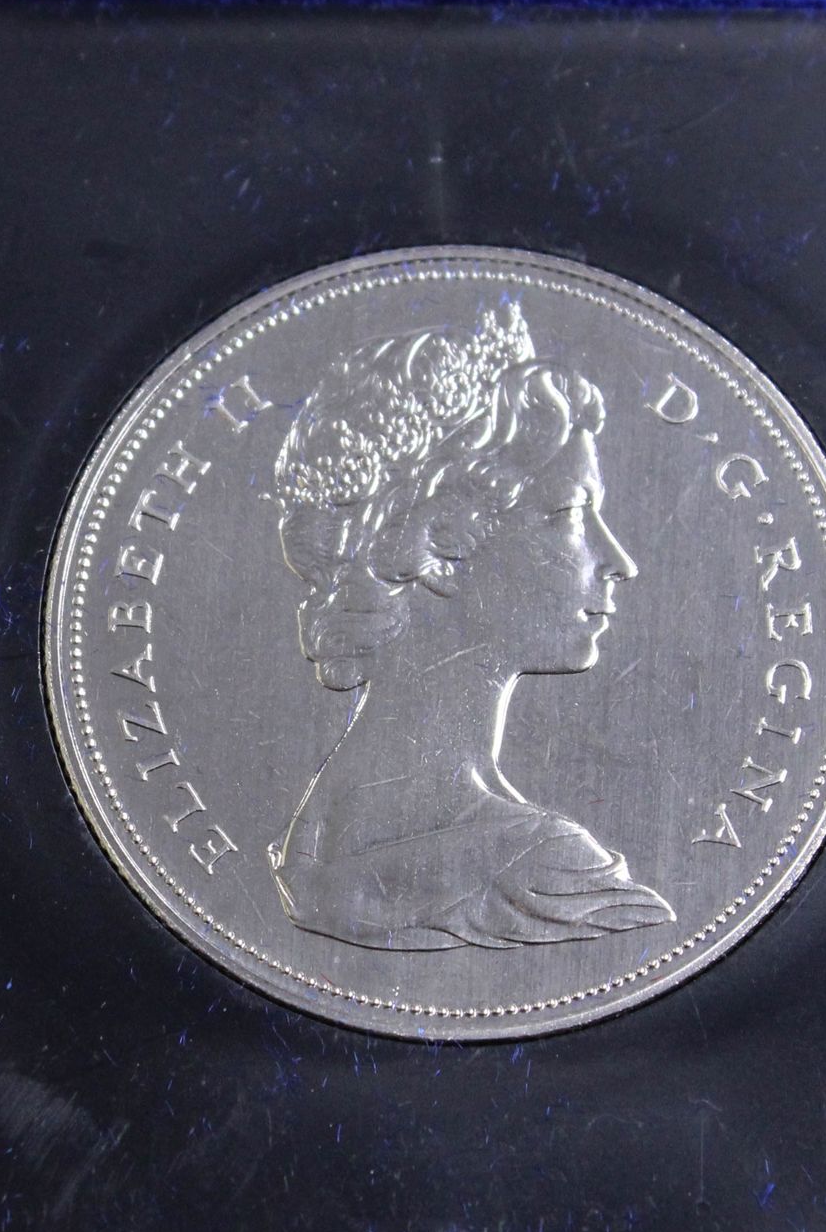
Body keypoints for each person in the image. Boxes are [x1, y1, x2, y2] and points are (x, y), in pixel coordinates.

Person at [268, 301, 675, 951]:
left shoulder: (310, 842)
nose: (619, 561)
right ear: (440, 547)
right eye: (570, 514)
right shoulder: (549, 867)